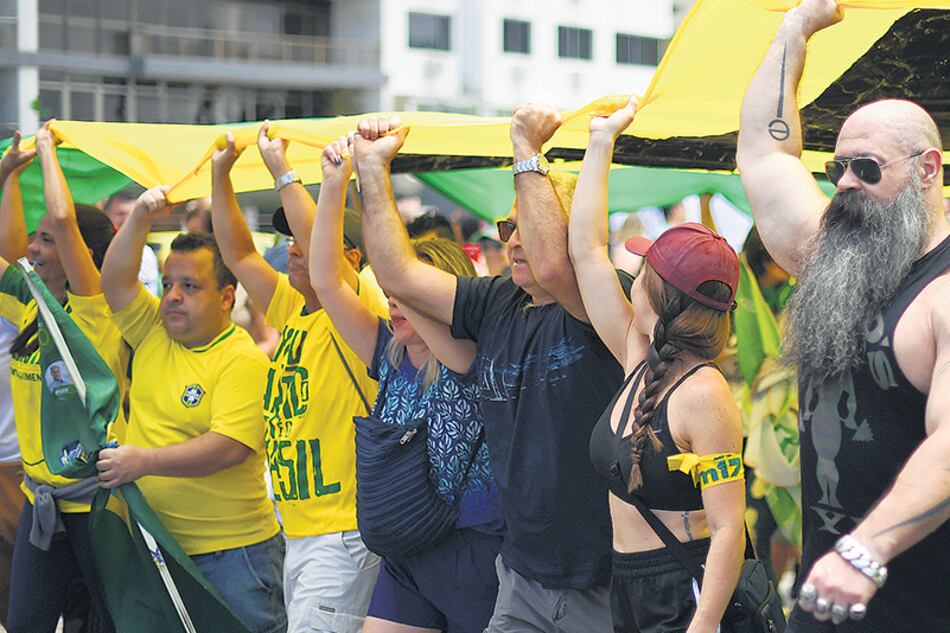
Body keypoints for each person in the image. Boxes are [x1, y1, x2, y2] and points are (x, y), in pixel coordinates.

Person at [352, 107, 630, 633]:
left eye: (531, 226)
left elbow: (554, 266)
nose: (515, 240)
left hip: (597, 577)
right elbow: (398, 275)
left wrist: (527, 151)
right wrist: (371, 171)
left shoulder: (604, 302)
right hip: (522, 573)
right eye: (508, 227)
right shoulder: (500, 300)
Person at [737, 0, 950, 630]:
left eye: (867, 168)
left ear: (928, 170)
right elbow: (764, 154)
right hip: (825, 602)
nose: (846, 183)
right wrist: (794, 30)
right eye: (837, 169)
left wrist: (866, 551)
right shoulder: (835, 250)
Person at [311, 136, 504, 633]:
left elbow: (404, 285)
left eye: (409, 294)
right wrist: (334, 185)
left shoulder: (470, 356)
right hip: (405, 547)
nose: (393, 301)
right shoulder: (389, 355)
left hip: (475, 547)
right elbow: (329, 282)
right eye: (392, 295)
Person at [569, 99, 745, 633]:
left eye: (642, 270)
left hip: (684, 595)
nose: (632, 274)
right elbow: (587, 252)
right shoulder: (637, 354)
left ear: (658, 296)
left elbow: (729, 527)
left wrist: (704, 624)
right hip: (629, 585)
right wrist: (600, 143)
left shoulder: (704, 394)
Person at [210, 124, 385, 633]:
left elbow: (323, 257)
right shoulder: (293, 309)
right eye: (288, 239)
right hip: (302, 528)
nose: (294, 247)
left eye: (304, 239)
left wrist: (282, 169)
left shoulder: (353, 308)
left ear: (351, 257)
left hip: (343, 532)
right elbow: (239, 254)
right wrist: (222, 175)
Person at [96, 187, 285, 633]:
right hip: (156, 546)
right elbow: (114, 281)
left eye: (190, 286)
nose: (173, 297)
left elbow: (228, 448)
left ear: (226, 297)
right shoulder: (154, 331)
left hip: (234, 557)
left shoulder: (243, 359)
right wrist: (142, 214)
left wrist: (140, 461)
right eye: (167, 284)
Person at [0, 125, 129, 633]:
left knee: (97, 624)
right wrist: (8, 174)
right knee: (25, 623)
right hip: (42, 504)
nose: (34, 246)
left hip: (97, 506)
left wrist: (49, 151)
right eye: (34, 237)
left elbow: (62, 216)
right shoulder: (28, 308)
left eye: (47, 241)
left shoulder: (94, 311)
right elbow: (11, 252)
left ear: (83, 254)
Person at [102, 191, 160, 296]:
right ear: (106, 215)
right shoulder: (99, 251)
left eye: (131, 214)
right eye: (120, 214)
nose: (126, 220)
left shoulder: (146, 253)